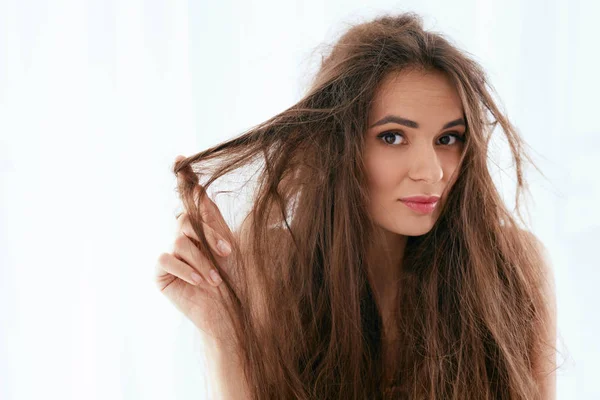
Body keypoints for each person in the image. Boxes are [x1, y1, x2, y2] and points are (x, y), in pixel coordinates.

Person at [155, 11, 557, 400]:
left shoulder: (512, 267)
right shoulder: (269, 266)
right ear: (337, 145)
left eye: (448, 139)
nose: (432, 172)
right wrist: (223, 332)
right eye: (393, 137)